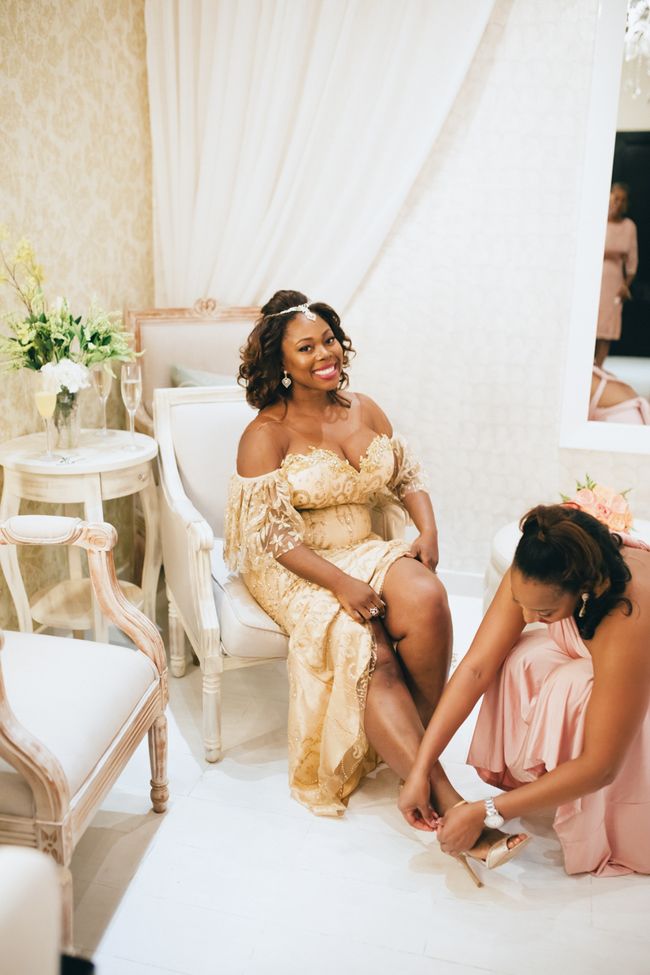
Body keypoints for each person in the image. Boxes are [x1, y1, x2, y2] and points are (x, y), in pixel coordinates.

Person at [223, 289, 456, 817]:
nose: (324, 354)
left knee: (428, 597)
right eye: (305, 348)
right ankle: (442, 795)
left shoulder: (364, 408)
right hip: (298, 564)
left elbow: (407, 474)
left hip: (362, 545)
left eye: (328, 340)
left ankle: (414, 750)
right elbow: (273, 538)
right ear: (280, 363)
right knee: (365, 642)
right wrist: (341, 584)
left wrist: (428, 530)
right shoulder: (265, 434)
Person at [399, 504, 650, 877]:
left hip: (640, 675)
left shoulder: (628, 612)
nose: (529, 617)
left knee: (572, 687)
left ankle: (605, 815)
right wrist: (420, 768)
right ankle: (547, 782)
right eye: (521, 603)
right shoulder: (538, 564)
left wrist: (489, 810)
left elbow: (602, 766)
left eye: (545, 613)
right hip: (600, 647)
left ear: (583, 591)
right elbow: (476, 668)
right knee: (521, 656)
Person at [595, 183, 638, 367]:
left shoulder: (629, 227)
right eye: (615, 198)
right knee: (591, 322)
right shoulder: (597, 220)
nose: (618, 203)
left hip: (614, 282)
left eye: (622, 200)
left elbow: (632, 262)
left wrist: (625, 285)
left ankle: (598, 368)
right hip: (594, 278)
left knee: (607, 327)